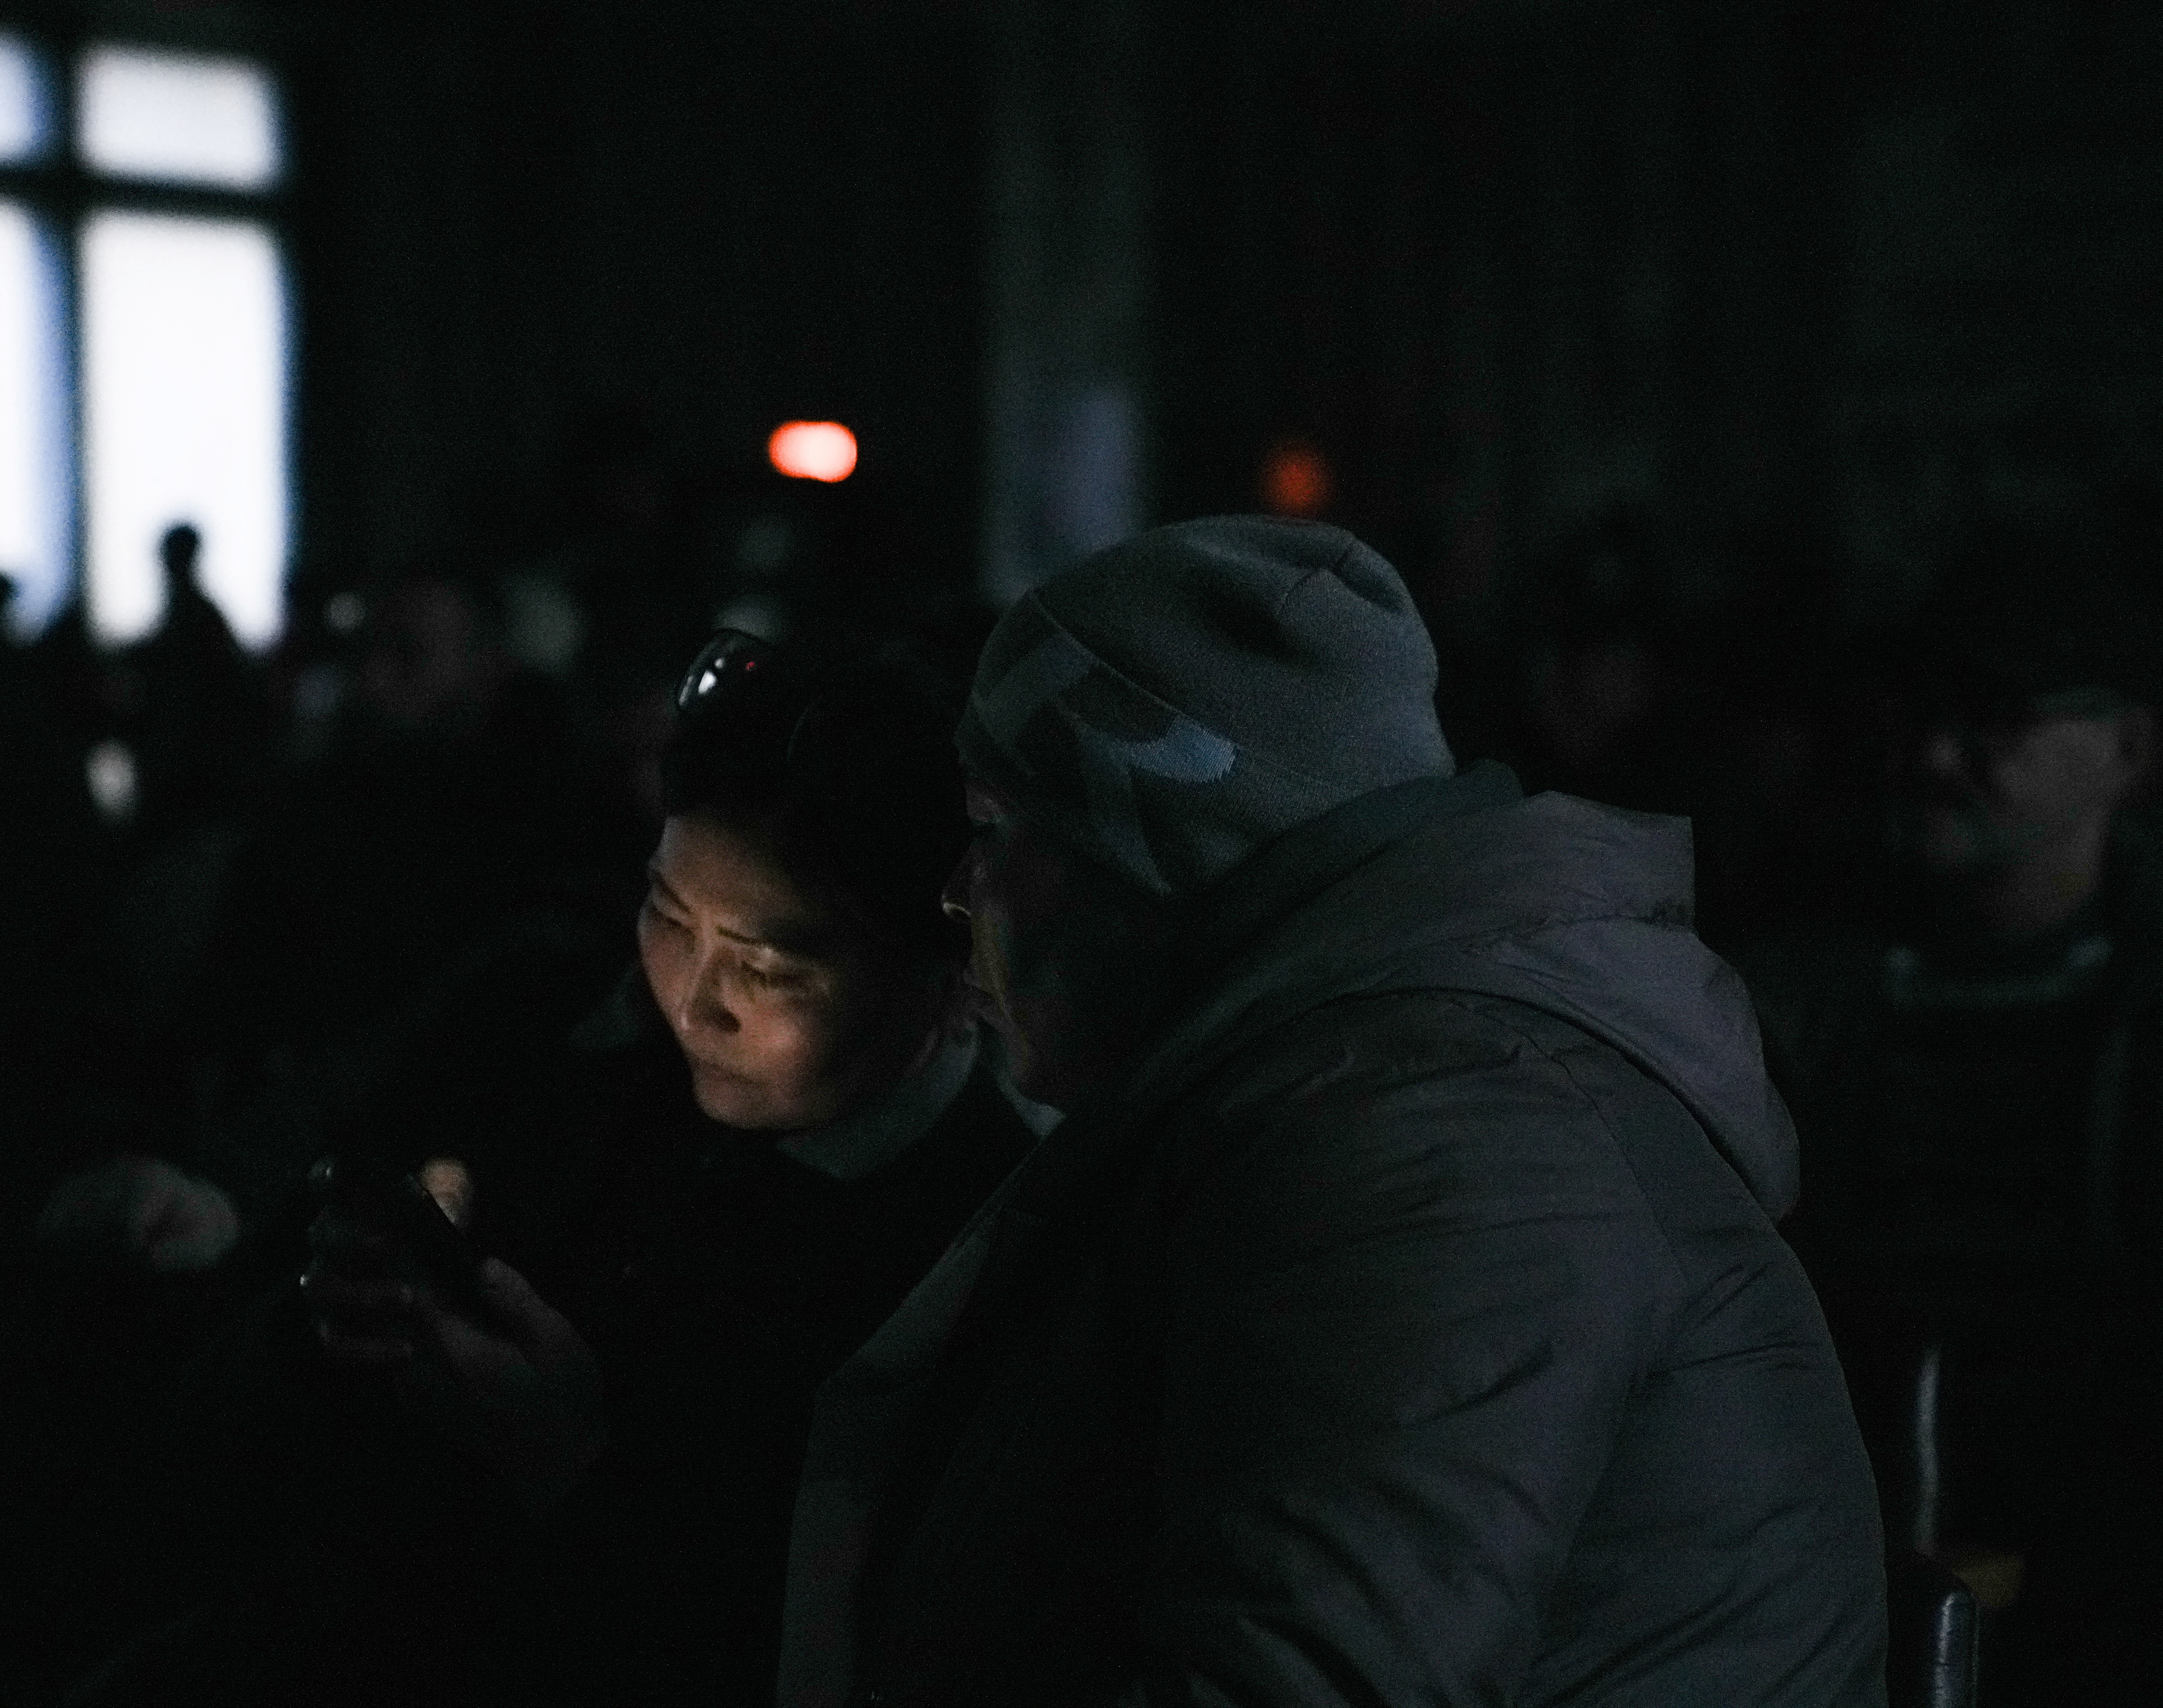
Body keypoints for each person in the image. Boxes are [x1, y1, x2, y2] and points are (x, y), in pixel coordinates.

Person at [780, 516, 1886, 1706]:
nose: (957, 891)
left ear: (1154, 850)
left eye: (993, 831)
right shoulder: (1354, 1090)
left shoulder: (1438, 1128)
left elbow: (1303, 1681)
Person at [107, 630, 1037, 1706]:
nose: (694, 996)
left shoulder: (987, 1237)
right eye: (665, 913)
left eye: (772, 965)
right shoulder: (555, 1028)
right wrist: (327, 1313)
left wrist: (575, 1468)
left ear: (949, 971)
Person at [1740, 513, 2163, 1702]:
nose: (1931, 755)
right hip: (1838, 1568)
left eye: (1996, 721)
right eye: (1918, 711)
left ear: (2126, 749)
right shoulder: (1787, 989)